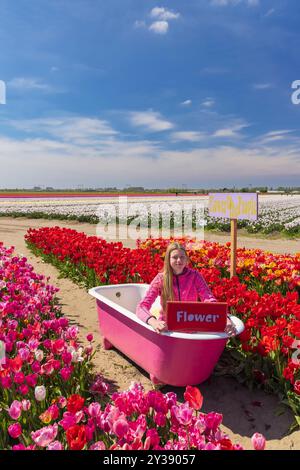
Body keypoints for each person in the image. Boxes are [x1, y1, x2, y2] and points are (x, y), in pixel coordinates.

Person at [136, 241, 235, 336]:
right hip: (166, 329)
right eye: (175, 257)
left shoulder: (195, 276)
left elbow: (208, 299)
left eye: (182, 257)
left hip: (191, 328)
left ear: (186, 259)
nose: (179, 260)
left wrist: (225, 319)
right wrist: (153, 321)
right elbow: (142, 306)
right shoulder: (161, 279)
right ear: (168, 259)